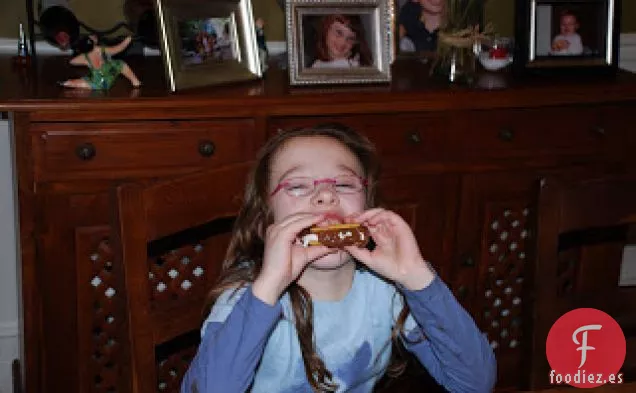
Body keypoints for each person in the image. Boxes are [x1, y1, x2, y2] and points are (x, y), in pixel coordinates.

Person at [180, 123, 497, 393]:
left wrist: (416, 276)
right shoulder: (244, 302)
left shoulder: (388, 292)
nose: (326, 195)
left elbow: (474, 383)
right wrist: (267, 289)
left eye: (344, 184)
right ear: (265, 224)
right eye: (298, 186)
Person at [59, 35, 141, 90]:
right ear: (92, 43)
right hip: (107, 78)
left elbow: (72, 61)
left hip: (96, 81)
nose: (94, 36)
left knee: (80, 82)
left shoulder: (84, 57)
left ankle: (67, 83)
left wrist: (82, 54)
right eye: (92, 38)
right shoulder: (101, 50)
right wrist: (127, 41)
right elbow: (118, 48)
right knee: (120, 64)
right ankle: (135, 81)